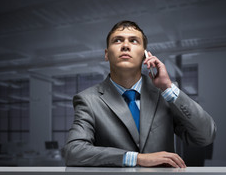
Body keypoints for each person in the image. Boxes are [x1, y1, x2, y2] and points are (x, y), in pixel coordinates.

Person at [63, 20, 216, 167]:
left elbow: (205, 136)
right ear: (106, 54)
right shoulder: (88, 100)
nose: (125, 46)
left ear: (145, 55)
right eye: (117, 40)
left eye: (134, 41)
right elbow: (74, 151)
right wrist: (136, 158)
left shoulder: (165, 94)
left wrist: (168, 88)